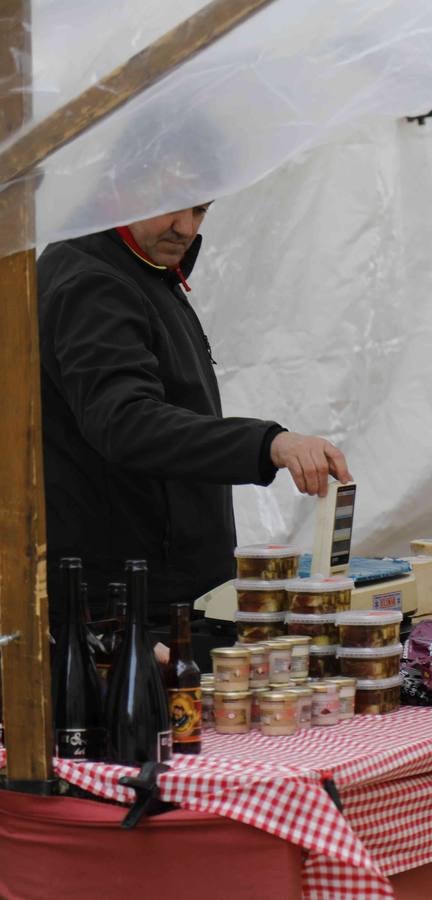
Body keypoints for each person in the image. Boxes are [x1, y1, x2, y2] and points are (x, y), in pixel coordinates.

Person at [38, 204, 352, 629]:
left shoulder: (139, 267)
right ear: (121, 189)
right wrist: (270, 444)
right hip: (126, 603)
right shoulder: (93, 281)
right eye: (168, 208)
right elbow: (127, 423)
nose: (184, 228)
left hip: (157, 589)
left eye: (200, 210)